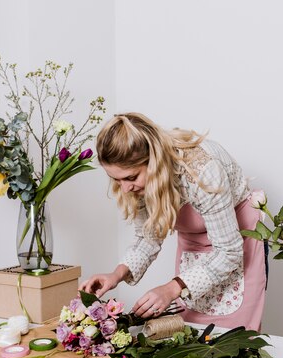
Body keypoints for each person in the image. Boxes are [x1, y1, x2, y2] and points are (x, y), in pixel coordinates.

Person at [78, 112, 267, 330]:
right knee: (189, 339)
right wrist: (116, 274)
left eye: (131, 177)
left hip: (238, 244)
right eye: (116, 179)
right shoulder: (139, 185)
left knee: (234, 341)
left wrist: (171, 288)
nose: (125, 188)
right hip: (194, 250)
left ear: (155, 163)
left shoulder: (202, 170)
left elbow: (229, 252)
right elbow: (147, 238)